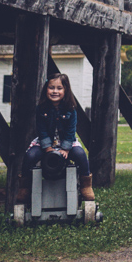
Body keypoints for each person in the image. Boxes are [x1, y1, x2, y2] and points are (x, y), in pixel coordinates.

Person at [16, 73, 94, 206]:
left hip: (66, 143)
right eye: (51, 88)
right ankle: (25, 187)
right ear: (46, 89)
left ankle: (86, 186)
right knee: (30, 156)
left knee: (81, 155)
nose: (55, 91)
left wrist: (66, 148)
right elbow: (41, 129)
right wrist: (47, 148)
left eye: (59, 88)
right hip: (45, 143)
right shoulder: (41, 109)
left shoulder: (71, 109)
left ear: (65, 90)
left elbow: (71, 130)